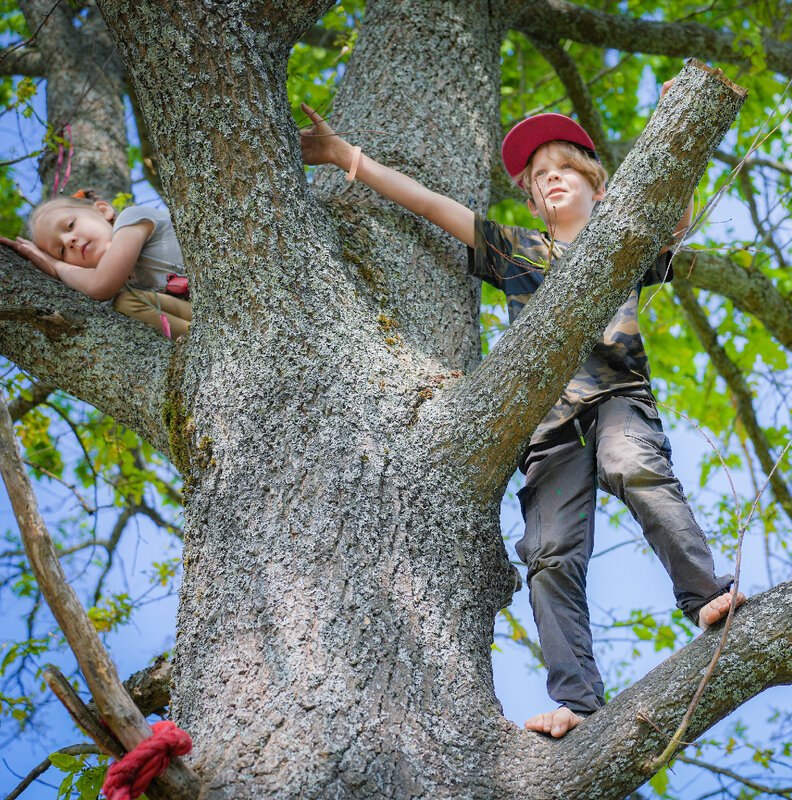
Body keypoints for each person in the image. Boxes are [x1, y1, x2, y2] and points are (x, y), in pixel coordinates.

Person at [297, 81, 745, 738]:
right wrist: (347, 158)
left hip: (617, 399)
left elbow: (675, 212)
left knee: (632, 466)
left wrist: (683, 125)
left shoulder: (626, 241)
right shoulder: (518, 250)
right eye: (540, 177)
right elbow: (431, 205)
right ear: (532, 199)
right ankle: (579, 703)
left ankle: (706, 595)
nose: (552, 179)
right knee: (549, 554)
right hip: (547, 426)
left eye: (566, 168)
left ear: (598, 185)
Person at [1, 190, 191, 339]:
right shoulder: (121, 290)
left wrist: (56, 265)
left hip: (216, 295)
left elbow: (99, 286)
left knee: (125, 302)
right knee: (124, 304)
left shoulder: (133, 219)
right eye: (62, 252)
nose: (69, 241)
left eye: (70, 226)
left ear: (102, 210)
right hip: (199, 317)